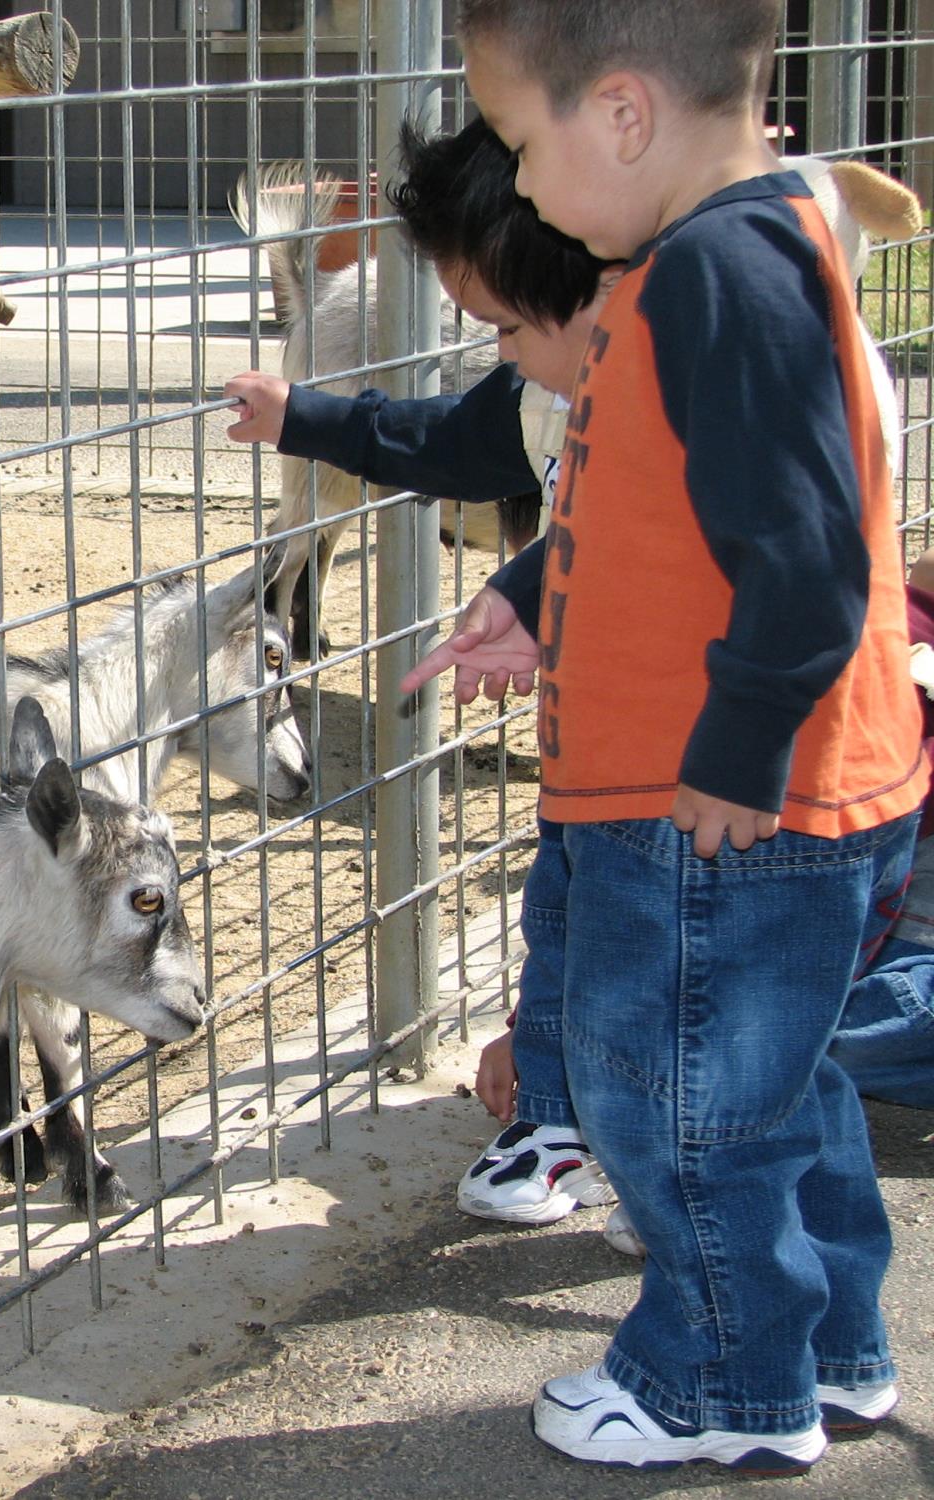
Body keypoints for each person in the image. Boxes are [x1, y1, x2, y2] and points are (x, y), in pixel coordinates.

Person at [401, 0, 928, 1473]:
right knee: (777, 1091)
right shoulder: (733, 252)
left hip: (720, 810)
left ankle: (716, 1376)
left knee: (675, 1110)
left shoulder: (714, 275)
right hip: (791, 796)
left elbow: (809, 553)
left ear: (622, 114)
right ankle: (829, 1349)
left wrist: (734, 754)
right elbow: (685, 522)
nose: (526, 182)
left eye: (521, 138)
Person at [226, 117, 630, 1231]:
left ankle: (624, 1141)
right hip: (589, 737)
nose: (490, 345)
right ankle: (560, 1110)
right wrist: (300, 415)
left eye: (498, 324)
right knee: (571, 901)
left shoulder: (659, 395)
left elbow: (629, 531)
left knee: (623, 924)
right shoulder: (542, 379)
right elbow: (453, 444)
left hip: (670, 750)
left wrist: (535, 582)